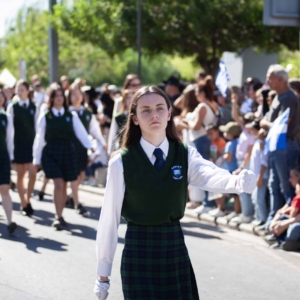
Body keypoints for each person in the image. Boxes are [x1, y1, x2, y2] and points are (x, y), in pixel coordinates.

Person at [94, 86, 256, 300]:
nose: (154, 114)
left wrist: (236, 181)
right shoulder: (120, 162)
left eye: (160, 108)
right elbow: (109, 219)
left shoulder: (184, 153)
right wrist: (103, 275)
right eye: (146, 110)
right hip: (138, 249)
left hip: (174, 247)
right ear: (134, 119)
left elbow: (208, 174)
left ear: (169, 113)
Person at [33, 85, 92, 230]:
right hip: (51, 152)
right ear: (51, 98)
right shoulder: (45, 115)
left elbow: (82, 133)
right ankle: (57, 217)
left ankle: (61, 214)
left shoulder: (71, 115)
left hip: (67, 151)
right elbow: (39, 138)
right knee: (58, 183)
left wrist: (92, 149)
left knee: (65, 184)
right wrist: (36, 159)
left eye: (61, 95)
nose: (59, 98)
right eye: (56, 95)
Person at [260, 65, 300, 230]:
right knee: (273, 186)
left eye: (270, 77)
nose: (267, 80)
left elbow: (283, 124)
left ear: (280, 80)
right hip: (276, 147)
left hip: (285, 147)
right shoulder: (278, 97)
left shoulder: (289, 98)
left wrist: (264, 123)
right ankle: (272, 223)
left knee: (286, 187)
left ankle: (286, 227)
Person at [68, 86, 107, 215]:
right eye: (74, 94)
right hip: (69, 147)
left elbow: (94, 129)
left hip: (82, 148)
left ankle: (71, 195)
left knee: (80, 174)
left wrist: (102, 142)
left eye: (79, 94)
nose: (77, 97)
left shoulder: (87, 112)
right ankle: (77, 203)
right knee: (73, 175)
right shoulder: (66, 112)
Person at [7, 79, 39, 216]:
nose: (19, 92)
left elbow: (38, 127)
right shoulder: (12, 107)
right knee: (20, 175)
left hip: (31, 144)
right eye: (18, 89)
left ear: (27, 91)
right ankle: (23, 203)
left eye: (22, 89)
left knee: (32, 172)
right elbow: (10, 129)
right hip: (18, 144)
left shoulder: (34, 107)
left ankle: (28, 198)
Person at [0, 90, 17, 234]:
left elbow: (10, 139)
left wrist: (10, 158)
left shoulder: (7, 117)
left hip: (3, 155)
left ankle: (10, 221)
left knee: (5, 188)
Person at [246, 119, 269, 227]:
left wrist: (260, 176)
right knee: (255, 198)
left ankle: (263, 219)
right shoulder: (257, 142)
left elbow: (264, 161)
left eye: (254, 130)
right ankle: (258, 217)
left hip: (261, 176)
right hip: (256, 176)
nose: (252, 131)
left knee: (259, 198)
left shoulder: (262, 144)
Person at [107, 89, 133, 155]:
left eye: (132, 98)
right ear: (123, 100)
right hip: (123, 149)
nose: (130, 100)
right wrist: (110, 152)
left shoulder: (138, 116)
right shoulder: (118, 117)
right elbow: (113, 135)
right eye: (128, 98)